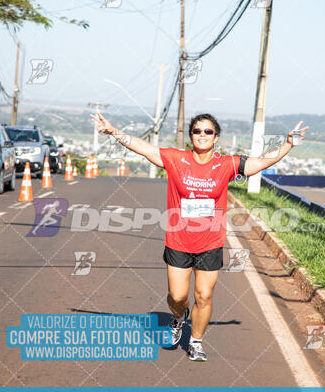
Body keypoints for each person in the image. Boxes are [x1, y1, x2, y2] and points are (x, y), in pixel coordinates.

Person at [90, 111, 308, 362]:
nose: (202, 135)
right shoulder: (175, 159)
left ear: (216, 137)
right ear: (191, 135)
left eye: (208, 132)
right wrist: (113, 131)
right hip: (179, 241)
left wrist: (288, 144)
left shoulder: (226, 164)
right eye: (197, 131)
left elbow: (260, 162)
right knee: (178, 297)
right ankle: (178, 318)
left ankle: (195, 341)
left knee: (203, 295)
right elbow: (144, 148)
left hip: (210, 242)